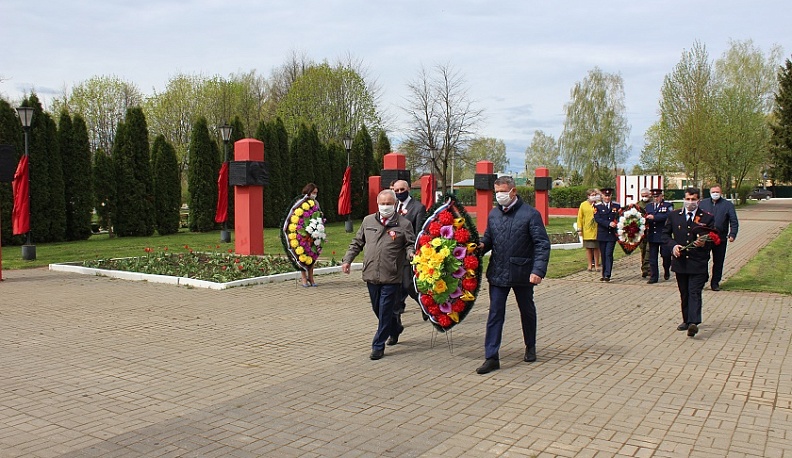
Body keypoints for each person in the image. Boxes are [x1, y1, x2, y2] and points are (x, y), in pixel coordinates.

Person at [475, 176, 551, 374]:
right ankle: (491, 357)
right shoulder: (493, 214)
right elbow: (489, 239)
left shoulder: (530, 214)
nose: (500, 195)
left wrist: (538, 270)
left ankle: (530, 346)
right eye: (497, 192)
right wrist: (480, 246)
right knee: (495, 314)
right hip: (498, 273)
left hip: (523, 272)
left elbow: (542, 244)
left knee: (526, 310)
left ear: (513, 191)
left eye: (503, 191)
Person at [341, 189, 416, 360]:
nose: (385, 207)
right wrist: (347, 260)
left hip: (391, 274)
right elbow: (357, 242)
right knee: (377, 308)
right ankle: (395, 327)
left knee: (384, 310)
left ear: (395, 204)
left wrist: (411, 253)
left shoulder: (403, 224)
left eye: (389, 204)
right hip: (371, 273)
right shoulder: (368, 221)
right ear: (377, 204)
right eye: (382, 203)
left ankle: (378, 345)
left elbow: (410, 244)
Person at [662, 187, 717, 337]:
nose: (690, 202)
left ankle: (694, 322)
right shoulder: (674, 215)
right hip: (681, 261)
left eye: (693, 200)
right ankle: (686, 320)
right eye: (688, 199)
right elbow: (665, 235)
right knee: (684, 292)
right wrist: (673, 246)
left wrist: (704, 243)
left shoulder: (707, 217)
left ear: (699, 200)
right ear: (684, 199)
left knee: (694, 291)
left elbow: (713, 238)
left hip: (698, 262)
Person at [389, 179, 427, 343]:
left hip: (408, 255)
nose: (399, 193)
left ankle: (424, 303)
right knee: (394, 294)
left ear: (409, 189)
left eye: (402, 189)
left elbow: (419, 232)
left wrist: (414, 252)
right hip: (391, 256)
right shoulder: (391, 207)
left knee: (408, 285)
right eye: (396, 190)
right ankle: (395, 330)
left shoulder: (418, 208)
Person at [698, 184, 738, 291]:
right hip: (705, 237)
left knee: (718, 261)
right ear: (710, 193)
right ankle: (703, 277)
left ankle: (715, 282)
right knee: (702, 259)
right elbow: (697, 219)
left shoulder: (728, 205)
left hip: (720, 238)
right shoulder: (703, 204)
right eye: (713, 192)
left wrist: (732, 234)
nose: (715, 194)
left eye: (717, 192)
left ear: (721, 193)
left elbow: (733, 221)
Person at [644, 188, 674, 283]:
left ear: (661, 196)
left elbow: (669, 216)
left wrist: (655, 217)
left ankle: (666, 269)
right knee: (652, 257)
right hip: (653, 235)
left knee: (665, 255)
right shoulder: (649, 206)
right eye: (654, 197)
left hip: (663, 234)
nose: (656, 198)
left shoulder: (667, 205)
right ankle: (654, 277)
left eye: (657, 196)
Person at [593, 187, 620, 282]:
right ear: (602, 196)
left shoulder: (616, 206)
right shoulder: (598, 207)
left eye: (609, 196)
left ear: (611, 196)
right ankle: (604, 273)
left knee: (609, 254)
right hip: (602, 234)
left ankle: (608, 274)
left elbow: (620, 217)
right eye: (605, 196)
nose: (607, 198)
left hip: (612, 235)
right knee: (603, 255)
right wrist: (608, 223)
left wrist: (616, 223)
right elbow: (598, 219)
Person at [299, 183, 321, 287]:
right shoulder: (301, 202)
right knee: (302, 256)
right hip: (302, 233)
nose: (315, 195)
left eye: (316, 193)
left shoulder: (316, 202)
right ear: (308, 192)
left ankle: (311, 278)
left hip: (313, 233)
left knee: (312, 255)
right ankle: (304, 278)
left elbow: (319, 215)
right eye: (313, 193)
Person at [576, 188, 601, 272]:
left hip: (597, 230)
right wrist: (579, 229)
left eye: (595, 195)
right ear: (588, 196)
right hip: (587, 230)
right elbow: (580, 217)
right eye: (592, 195)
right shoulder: (583, 205)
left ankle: (597, 265)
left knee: (596, 248)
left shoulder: (599, 204)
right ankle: (590, 265)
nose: (594, 197)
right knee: (589, 248)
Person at [636, 188, 652, 278]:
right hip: (642, 231)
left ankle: (648, 268)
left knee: (649, 250)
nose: (644, 197)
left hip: (651, 230)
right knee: (643, 249)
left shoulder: (653, 203)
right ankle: (644, 269)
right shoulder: (638, 204)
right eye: (643, 196)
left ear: (649, 195)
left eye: (646, 195)